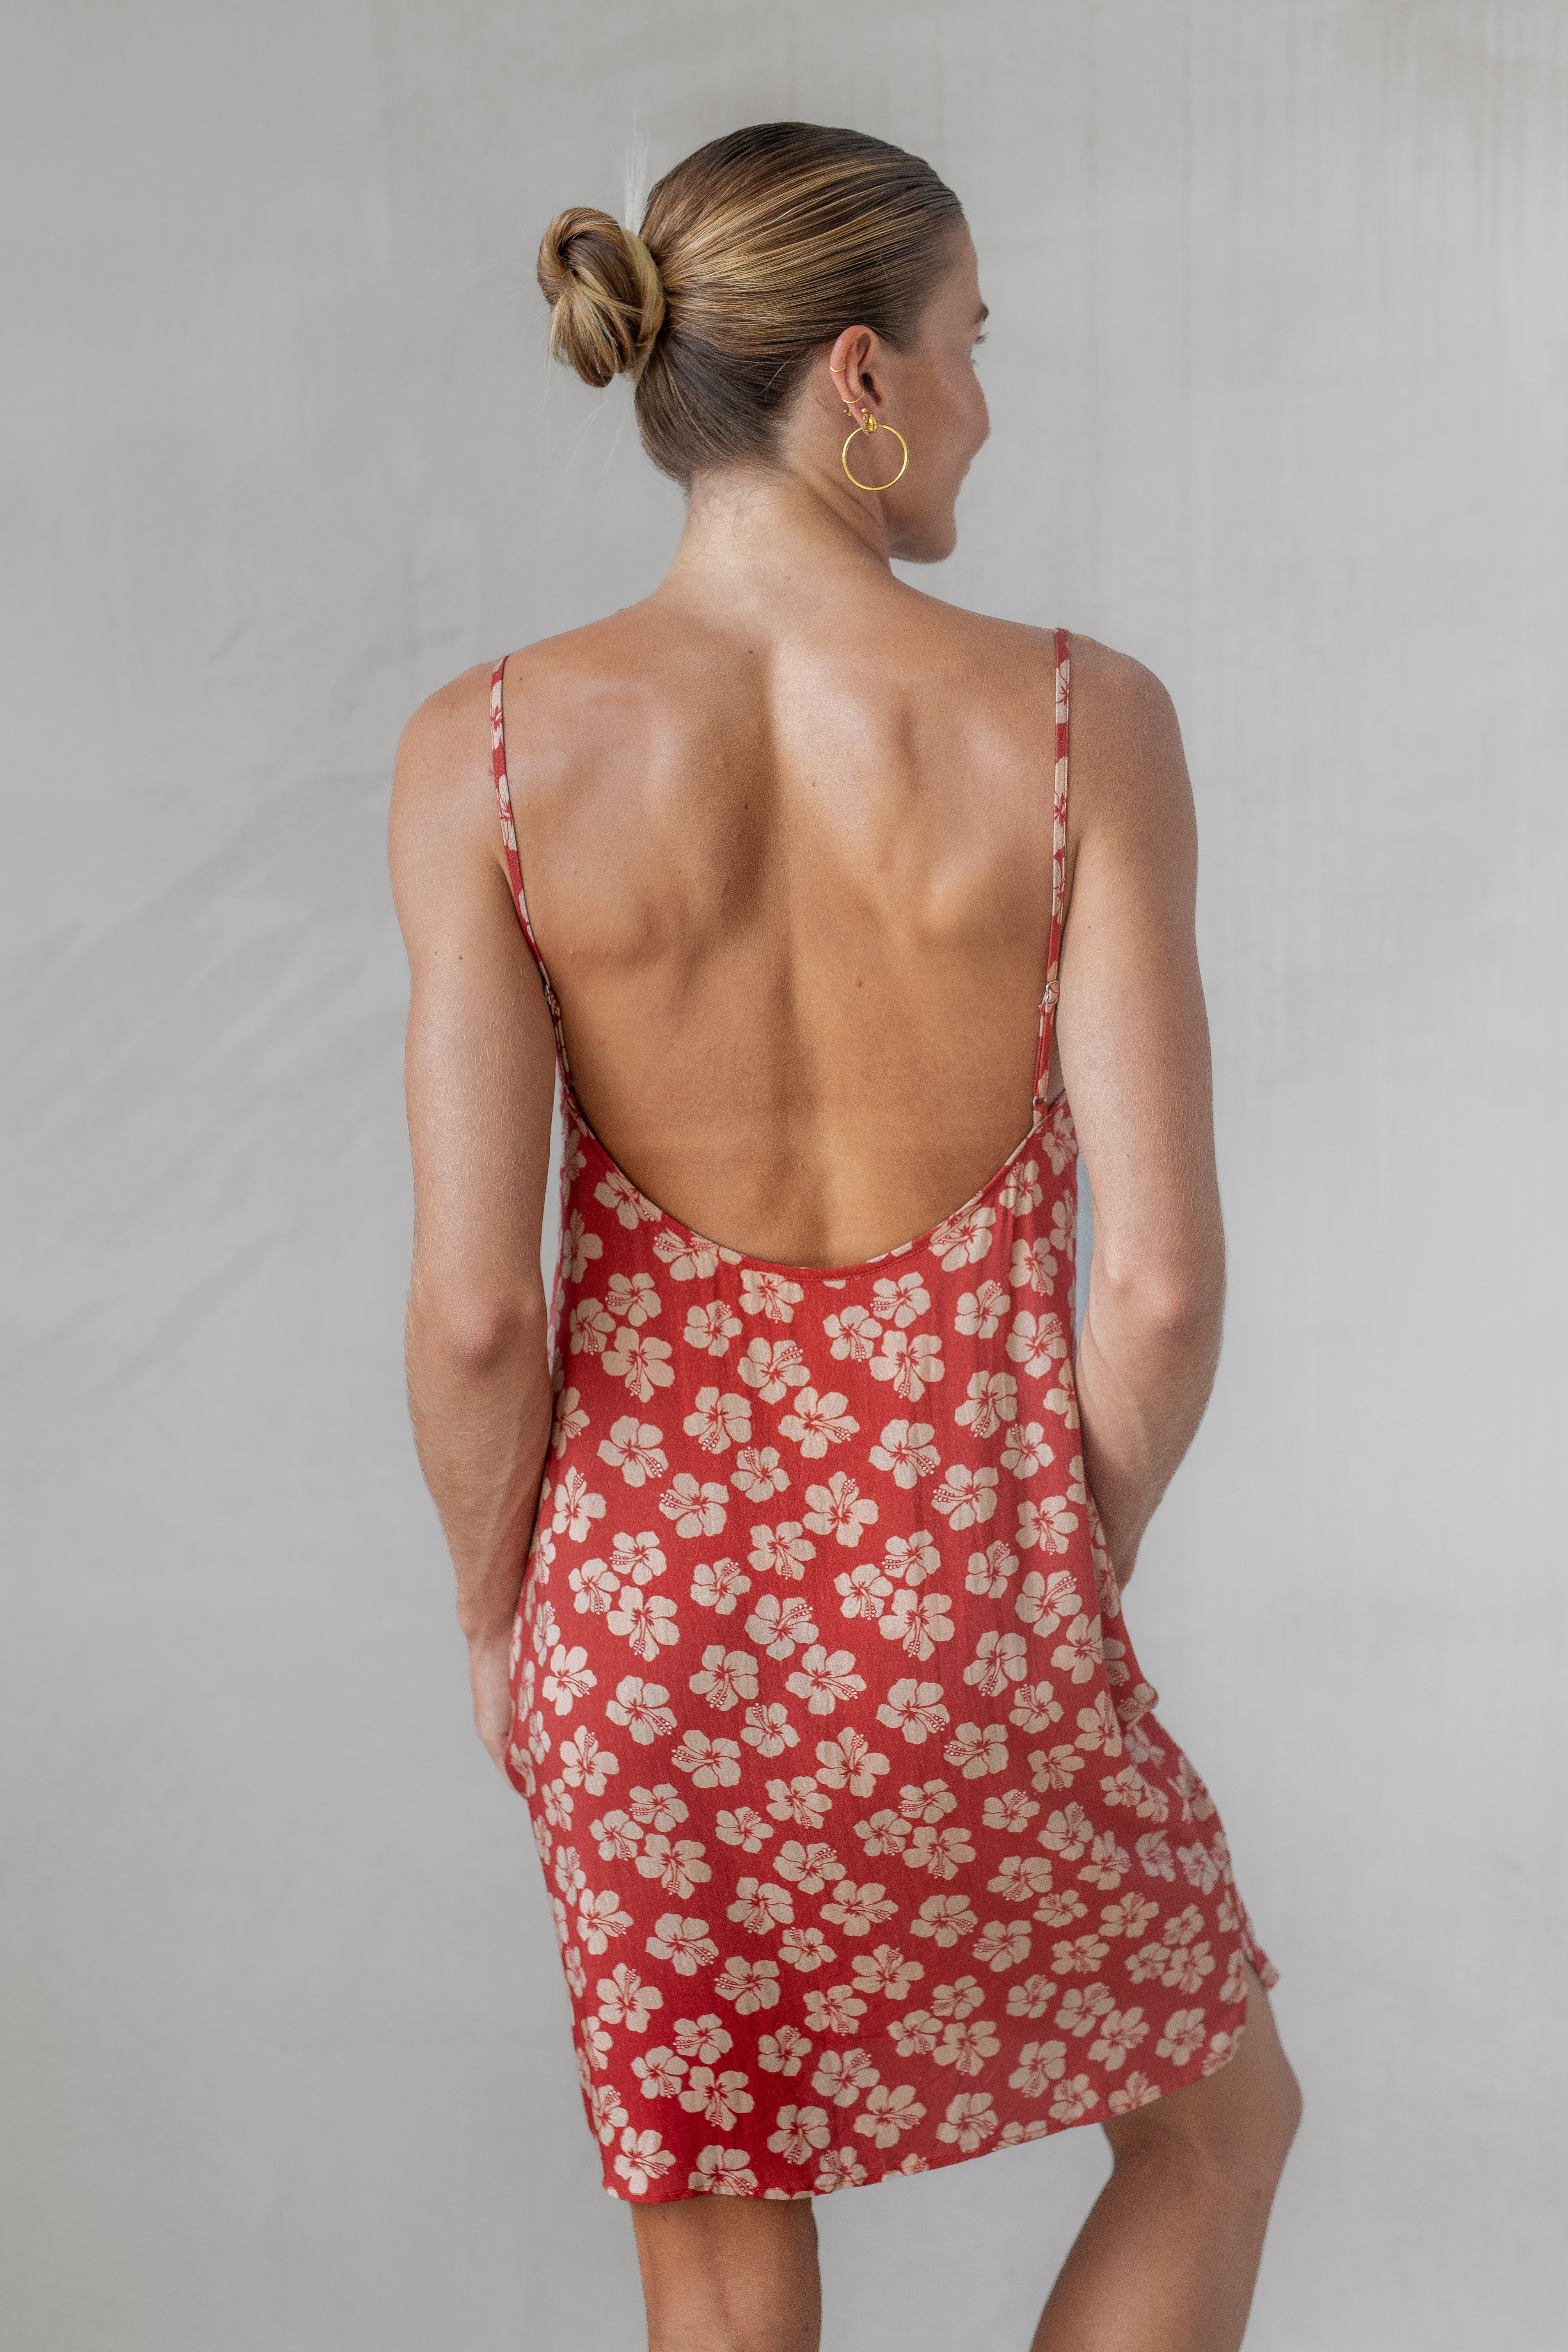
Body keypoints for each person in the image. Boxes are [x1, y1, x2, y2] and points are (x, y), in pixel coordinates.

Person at [391, 120, 1299, 2352]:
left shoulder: (481, 755)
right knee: (1213, 2136)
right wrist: (1038, 1572)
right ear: (865, 378)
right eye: (974, 342)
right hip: (974, 1598)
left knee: (720, 2248)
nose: (987, 396)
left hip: (639, 1640)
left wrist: (503, 1618)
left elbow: (479, 1314)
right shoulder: (1081, 725)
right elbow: (1162, 1287)